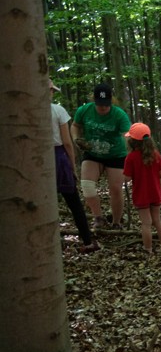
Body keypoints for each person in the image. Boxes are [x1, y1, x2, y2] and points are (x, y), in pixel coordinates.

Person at [70, 83, 132, 230]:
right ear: (94, 100)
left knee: (116, 189)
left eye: (106, 104)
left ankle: (116, 221)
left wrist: (130, 159)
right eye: (99, 104)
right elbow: (75, 125)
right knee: (87, 185)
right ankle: (98, 217)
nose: (103, 107)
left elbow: (127, 136)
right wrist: (76, 139)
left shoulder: (119, 114)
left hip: (116, 154)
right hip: (92, 153)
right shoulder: (84, 110)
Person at [50, 79, 100, 254]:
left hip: (36, 159)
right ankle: (87, 241)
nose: (52, 93)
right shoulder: (57, 110)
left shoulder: (27, 112)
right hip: (58, 156)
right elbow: (67, 142)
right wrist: (72, 166)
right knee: (74, 203)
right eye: (51, 91)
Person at [123, 123, 161, 254]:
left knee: (146, 223)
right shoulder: (155, 154)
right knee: (157, 220)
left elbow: (127, 178)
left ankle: (148, 248)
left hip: (141, 195)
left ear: (132, 141)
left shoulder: (131, 157)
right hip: (155, 193)